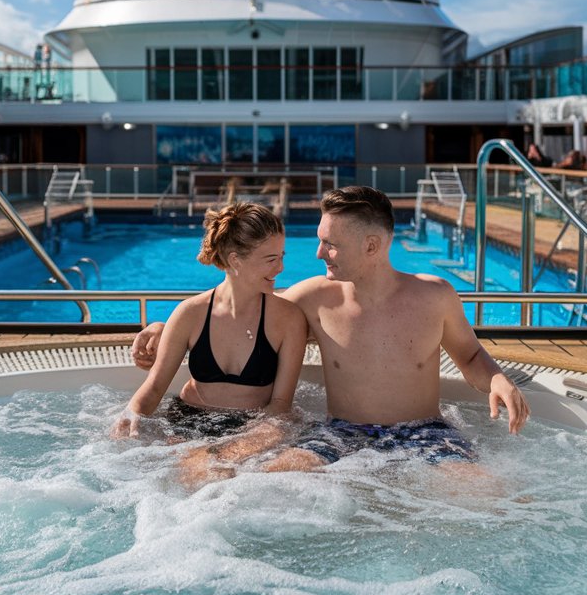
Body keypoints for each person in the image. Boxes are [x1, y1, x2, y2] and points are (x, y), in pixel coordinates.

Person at [132, 187, 529, 473]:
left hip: (424, 432)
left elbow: (471, 357)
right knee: (261, 485)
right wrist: (168, 328)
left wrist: (497, 379)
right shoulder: (315, 298)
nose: (319, 253)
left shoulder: (434, 295)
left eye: (330, 244)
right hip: (341, 433)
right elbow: (245, 308)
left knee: (483, 498)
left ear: (372, 246)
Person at [112, 202, 308, 446]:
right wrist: (130, 418)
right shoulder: (190, 313)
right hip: (188, 421)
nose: (281, 268)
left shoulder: (288, 319)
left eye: (281, 257)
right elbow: (153, 389)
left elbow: (281, 406)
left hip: (255, 425)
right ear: (235, 260)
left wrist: (242, 444)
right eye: (271, 259)